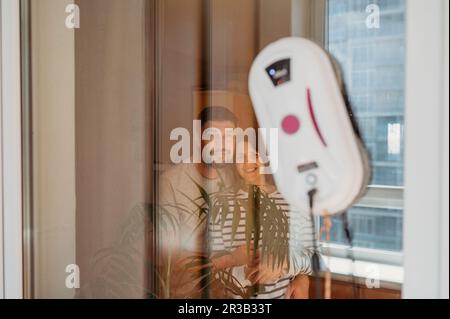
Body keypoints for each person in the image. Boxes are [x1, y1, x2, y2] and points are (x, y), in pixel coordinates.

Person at [209, 140, 315, 299]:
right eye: (240, 157)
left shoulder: (294, 203)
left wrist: (283, 264)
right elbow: (211, 270)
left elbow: (312, 258)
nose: (248, 162)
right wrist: (243, 271)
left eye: (254, 155)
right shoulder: (220, 205)